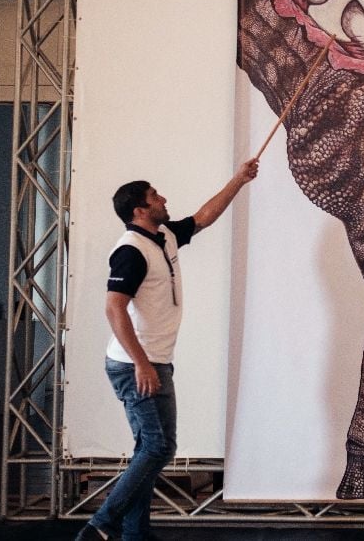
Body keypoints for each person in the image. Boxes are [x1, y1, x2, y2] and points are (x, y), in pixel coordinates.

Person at [76, 159, 259, 541]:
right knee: (159, 447)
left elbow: (204, 217)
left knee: (149, 446)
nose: (163, 198)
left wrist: (239, 180)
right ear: (140, 210)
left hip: (155, 361)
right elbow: (114, 308)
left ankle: (135, 534)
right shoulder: (130, 250)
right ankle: (100, 526)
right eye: (155, 196)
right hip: (135, 365)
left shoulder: (164, 236)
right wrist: (142, 365)